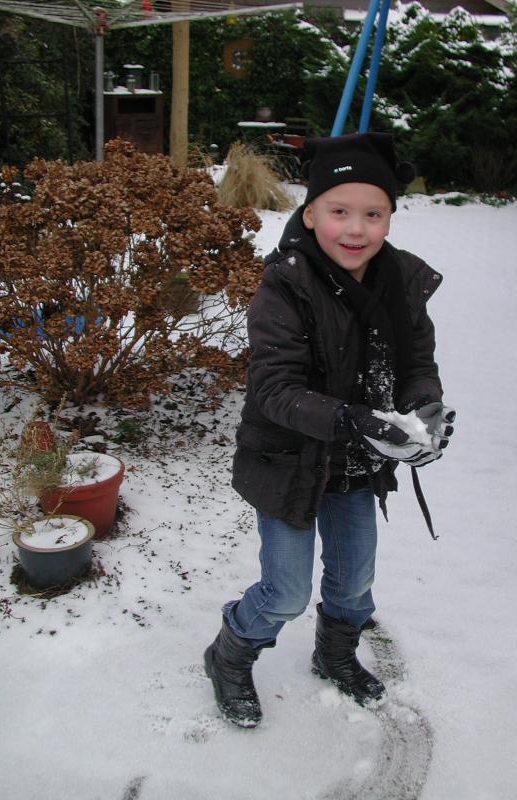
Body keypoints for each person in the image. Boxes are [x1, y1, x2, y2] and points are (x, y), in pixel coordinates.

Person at [204, 132, 455, 729]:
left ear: (390, 217)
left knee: (354, 580)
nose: (356, 228)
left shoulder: (402, 282)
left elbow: (417, 365)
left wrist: (426, 412)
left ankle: (334, 654)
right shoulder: (286, 286)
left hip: (356, 469)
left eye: (373, 214)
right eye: (339, 211)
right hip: (287, 460)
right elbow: (273, 390)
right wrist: (350, 419)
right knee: (287, 591)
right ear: (310, 212)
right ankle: (229, 653)